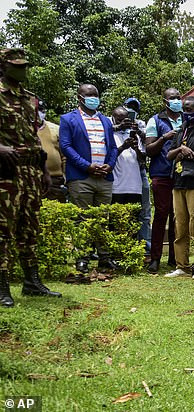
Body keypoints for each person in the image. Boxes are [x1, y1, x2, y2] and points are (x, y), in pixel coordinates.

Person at [0, 48, 61, 307]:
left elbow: (34, 137)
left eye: (26, 65)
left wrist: (45, 171)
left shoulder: (30, 99)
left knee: (29, 227)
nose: (24, 70)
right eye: (18, 65)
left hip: (31, 171)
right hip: (6, 173)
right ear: (4, 67)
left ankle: (31, 282)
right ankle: (2, 287)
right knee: (3, 229)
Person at [60, 83, 118, 273]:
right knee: (82, 218)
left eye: (96, 95)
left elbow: (113, 147)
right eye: (89, 95)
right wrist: (87, 166)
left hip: (104, 176)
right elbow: (66, 147)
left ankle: (104, 257)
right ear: (80, 98)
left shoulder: (106, 120)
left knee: (103, 218)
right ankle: (82, 258)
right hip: (81, 177)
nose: (94, 98)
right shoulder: (68, 119)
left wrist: (109, 165)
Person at [164, 96, 194, 278]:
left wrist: (191, 154)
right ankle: (182, 266)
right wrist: (180, 150)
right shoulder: (180, 130)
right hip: (178, 182)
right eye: (184, 109)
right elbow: (169, 155)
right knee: (179, 224)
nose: (186, 113)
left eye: (190, 110)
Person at [145, 88, 182, 273]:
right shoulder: (155, 120)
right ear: (165, 101)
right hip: (161, 174)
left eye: (178, 97)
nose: (176, 100)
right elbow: (149, 150)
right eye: (172, 98)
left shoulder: (186, 118)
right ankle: (155, 258)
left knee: (178, 217)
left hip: (182, 175)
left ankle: (176, 258)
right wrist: (164, 137)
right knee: (161, 216)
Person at [123, 97, 151, 261]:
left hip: (139, 171)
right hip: (121, 174)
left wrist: (139, 133)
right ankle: (125, 246)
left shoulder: (142, 125)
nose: (131, 110)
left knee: (145, 211)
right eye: (128, 107)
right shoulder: (114, 124)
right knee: (124, 211)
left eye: (134, 108)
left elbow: (147, 151)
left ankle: (146, 248)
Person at [110, 106, 144, 205]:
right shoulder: (110, 135)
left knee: (134, 219)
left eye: (125, 120)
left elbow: (142, 161)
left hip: (135, 188)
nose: (123, 123)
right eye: (119, 120)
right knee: (116, 219)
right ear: (113, 119)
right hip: (116, 188)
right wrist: (123, 147)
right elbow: (109, 158)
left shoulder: (134, 135)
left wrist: (136, 148)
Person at [37, 99, 65, 202]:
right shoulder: (23, 128)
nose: (40, 113)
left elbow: (64, 155)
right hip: (32, 178)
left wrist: (65, 177)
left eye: (42, 110)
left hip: (55, 180)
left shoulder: (56, 128)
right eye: (37, 110)